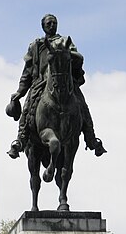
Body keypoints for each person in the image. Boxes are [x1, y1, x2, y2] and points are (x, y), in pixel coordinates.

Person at [6, 13, 106, 159]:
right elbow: (27, 72)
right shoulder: (36, 45)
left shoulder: (64, 42)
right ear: (43, 27)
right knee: (28, 108)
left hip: (65, 82)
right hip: (40, 83)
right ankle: (20, 140)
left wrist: (67, 54)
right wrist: (20, 92)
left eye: (54, 23)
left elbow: (78, 58)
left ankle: (91, 139)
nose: (52, 25)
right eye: (49, 23)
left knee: (82, 106)